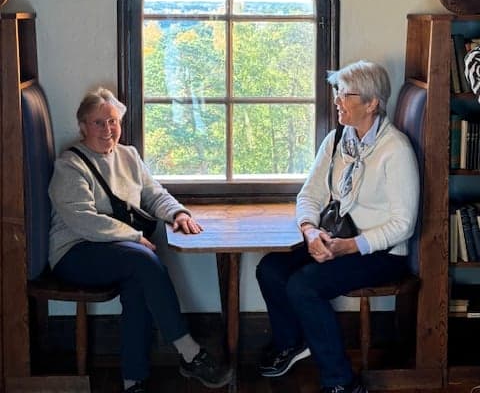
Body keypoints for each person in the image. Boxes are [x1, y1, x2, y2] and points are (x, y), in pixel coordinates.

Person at [48, 87, 231, 393]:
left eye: (113, 121)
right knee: (142, 259)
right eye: (98, 122)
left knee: (138, 282)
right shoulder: (70, 165)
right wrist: (133, 237)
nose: (108, 129)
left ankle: (134, 381)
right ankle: (189, 352)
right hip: (75, 251)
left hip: (120, 252)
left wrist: (177, 213)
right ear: (82, 126)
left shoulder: (129, 156)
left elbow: (153, 193)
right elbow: (83, 220)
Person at [256, 60, 419, 393]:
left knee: (304, 286)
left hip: (381, 253)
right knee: (270, 268)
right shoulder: (336, 140)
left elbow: (403, 225)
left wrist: (350, 246)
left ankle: (341, 383)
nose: (337, 100)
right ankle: (293, 342)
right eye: (337, 92)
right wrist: (310, 230)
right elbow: (310, 194)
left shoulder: (396, 150)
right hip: (337, 239)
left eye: (345, 94)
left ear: (372, 103)